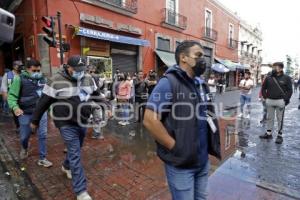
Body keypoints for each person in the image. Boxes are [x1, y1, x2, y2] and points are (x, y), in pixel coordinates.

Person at [143, 40, 221, 200]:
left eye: (203, 56)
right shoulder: (168, 83)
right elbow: (150, 120)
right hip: (181, 164)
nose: (202, 60)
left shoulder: (201, 84)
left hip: (202, 160)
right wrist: (176, 147)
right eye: (198, 55)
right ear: (183, 58)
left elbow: (207, 115)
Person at [30, 55, 102, 200]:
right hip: (65, 123)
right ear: (68, 67)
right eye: (77, 70)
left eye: (82, 69)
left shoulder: (87, 78)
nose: (80, 73)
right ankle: (81, 191)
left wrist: (106, 106)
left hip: (82, 121)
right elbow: (43, 102)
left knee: (77, 148)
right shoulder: (55, 80)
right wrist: (35, 120)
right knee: (75, 153)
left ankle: (66, 166)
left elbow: (96, 94)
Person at [7, 59, 53, 167]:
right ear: (27, 69)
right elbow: (12, 96)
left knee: (42, 135)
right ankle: (24, 147)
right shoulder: (19, 79)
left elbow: (48, 96)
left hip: (41, 113)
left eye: (39, 70)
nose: (37, 72)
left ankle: (42, 158)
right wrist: (15, 107)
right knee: (24, 137)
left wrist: (49, 109)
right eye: (34, 70)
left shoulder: (43, 79)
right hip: (25, 113)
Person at [260, 62, 293, 144]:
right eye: (273, 67)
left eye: (276, 67)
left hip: (280, 101)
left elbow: (290, 90)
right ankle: (269, 134)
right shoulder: (268, 77)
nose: (274, 69)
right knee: (269, 118)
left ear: (281, 68)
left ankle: (279, 136)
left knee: (280, 119)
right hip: (269, 101)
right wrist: (265, 97)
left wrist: (285, 99)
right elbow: (263, 88)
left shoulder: (286, 78)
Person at [1, 61, 22, 131]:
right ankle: (18, 126)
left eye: (20, 65)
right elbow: (4, 86)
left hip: (22, 96)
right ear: (14, 66)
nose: (20, 67)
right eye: (18, 65)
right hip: (13, 97)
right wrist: (5, 96)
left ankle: (25, 126)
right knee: (16, 112)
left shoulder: (23, 74)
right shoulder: (8, 75)